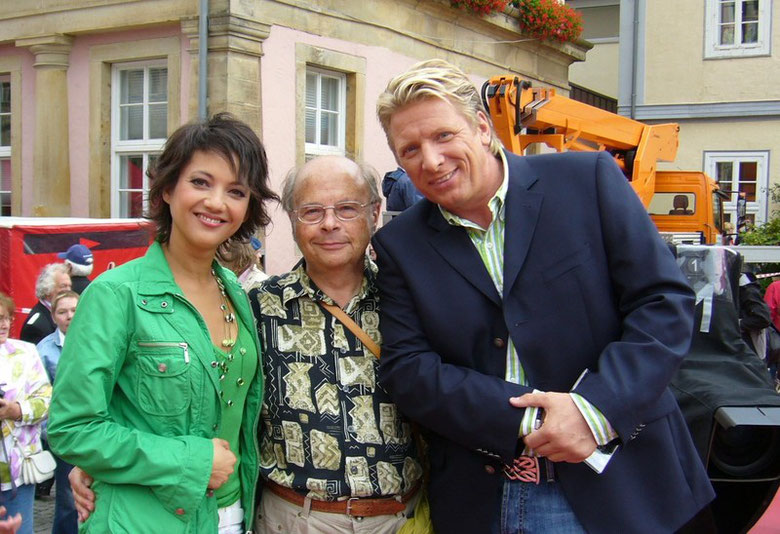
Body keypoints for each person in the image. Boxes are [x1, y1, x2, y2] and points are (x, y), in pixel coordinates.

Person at [371, 59, 714, 534]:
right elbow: (408, 369)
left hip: (619, 485)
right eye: (410, 149)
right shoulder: (400, 244)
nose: (430, 161)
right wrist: (531, 419)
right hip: (486, 497)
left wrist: (592, 411)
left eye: (444, 136)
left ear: (483, 129)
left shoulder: (585, 181)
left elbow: (663, 303)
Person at [47, 113, 278, 534]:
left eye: (236, 191)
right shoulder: (116, 294)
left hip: (234, 515)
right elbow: (72, 428)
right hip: (144, 520)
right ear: (167, 189)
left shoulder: (235, 292)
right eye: (201, 182)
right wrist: (190, 461)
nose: (216, 202)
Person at [248, 155, 422, 533]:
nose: (330, 224)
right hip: (295, 518)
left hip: (399, 519)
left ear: (374, 213)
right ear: (293, 220)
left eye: (347, 208)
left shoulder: (409, 300)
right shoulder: (257, 307)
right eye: (311, 211)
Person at [0, 292, 53, 534]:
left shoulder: (26, 352)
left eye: (5, 318)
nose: (2, 324)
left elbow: (46, 401)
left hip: (18, 466)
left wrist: (16, 410)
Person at [35, 291, 79, 534]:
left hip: (95, 431)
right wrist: (50, 434)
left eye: (74, 310)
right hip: (65, 435)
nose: (70, 316)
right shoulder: (44, 351)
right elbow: (41, 397)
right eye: (62, 312)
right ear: (53, 317)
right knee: (68, 500)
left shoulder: (95, 342)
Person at [19, 264, 71, 345]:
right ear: (47, 290)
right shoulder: (36, 327)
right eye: (63, 286)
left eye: (69, 286)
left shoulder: (69, 313)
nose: (68, 290)